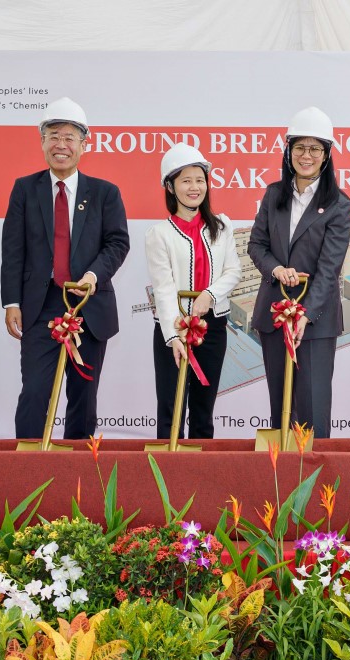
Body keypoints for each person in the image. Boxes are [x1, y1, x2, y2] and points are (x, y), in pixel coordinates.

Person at [2, 98, 129, 440]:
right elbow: (12, 249)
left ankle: (78, 475)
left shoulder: (105, 193)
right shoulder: (25, 189)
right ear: (41, 141)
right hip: (40, 308)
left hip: (89, 306)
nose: (61, 144)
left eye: (70, 137)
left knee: (83, 399)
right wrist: (11, 302)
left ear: (85, 145)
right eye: (53, 135)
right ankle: (26, 470)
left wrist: (91, 276)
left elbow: (117, 243)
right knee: (34, 394)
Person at [247, 107, 350, 439]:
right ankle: (280, 486)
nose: (306, 156)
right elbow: (256, 245)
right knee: (281, 409)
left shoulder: (337, 203)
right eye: (300, 147)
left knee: (312, 410)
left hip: (315, 321)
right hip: (273, 315)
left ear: (326, 155)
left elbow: (329, 267)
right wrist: (276, 269)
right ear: (288, 150)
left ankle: (317, 484)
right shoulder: (273, 194)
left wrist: (306, 313)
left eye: (315, 148)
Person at [144, 144, 241, 439]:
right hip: (172, 328)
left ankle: (201, 477)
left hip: (212, 327)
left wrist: (209, 294)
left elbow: (233, 271)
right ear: (170, 187)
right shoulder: (158, 234)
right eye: (185, 180)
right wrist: (173, 337)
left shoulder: (222, 225)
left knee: (203, 411)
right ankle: (165, 476)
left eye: (200, 180)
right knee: (171, 410)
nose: (194, 187)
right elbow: (163, 288)